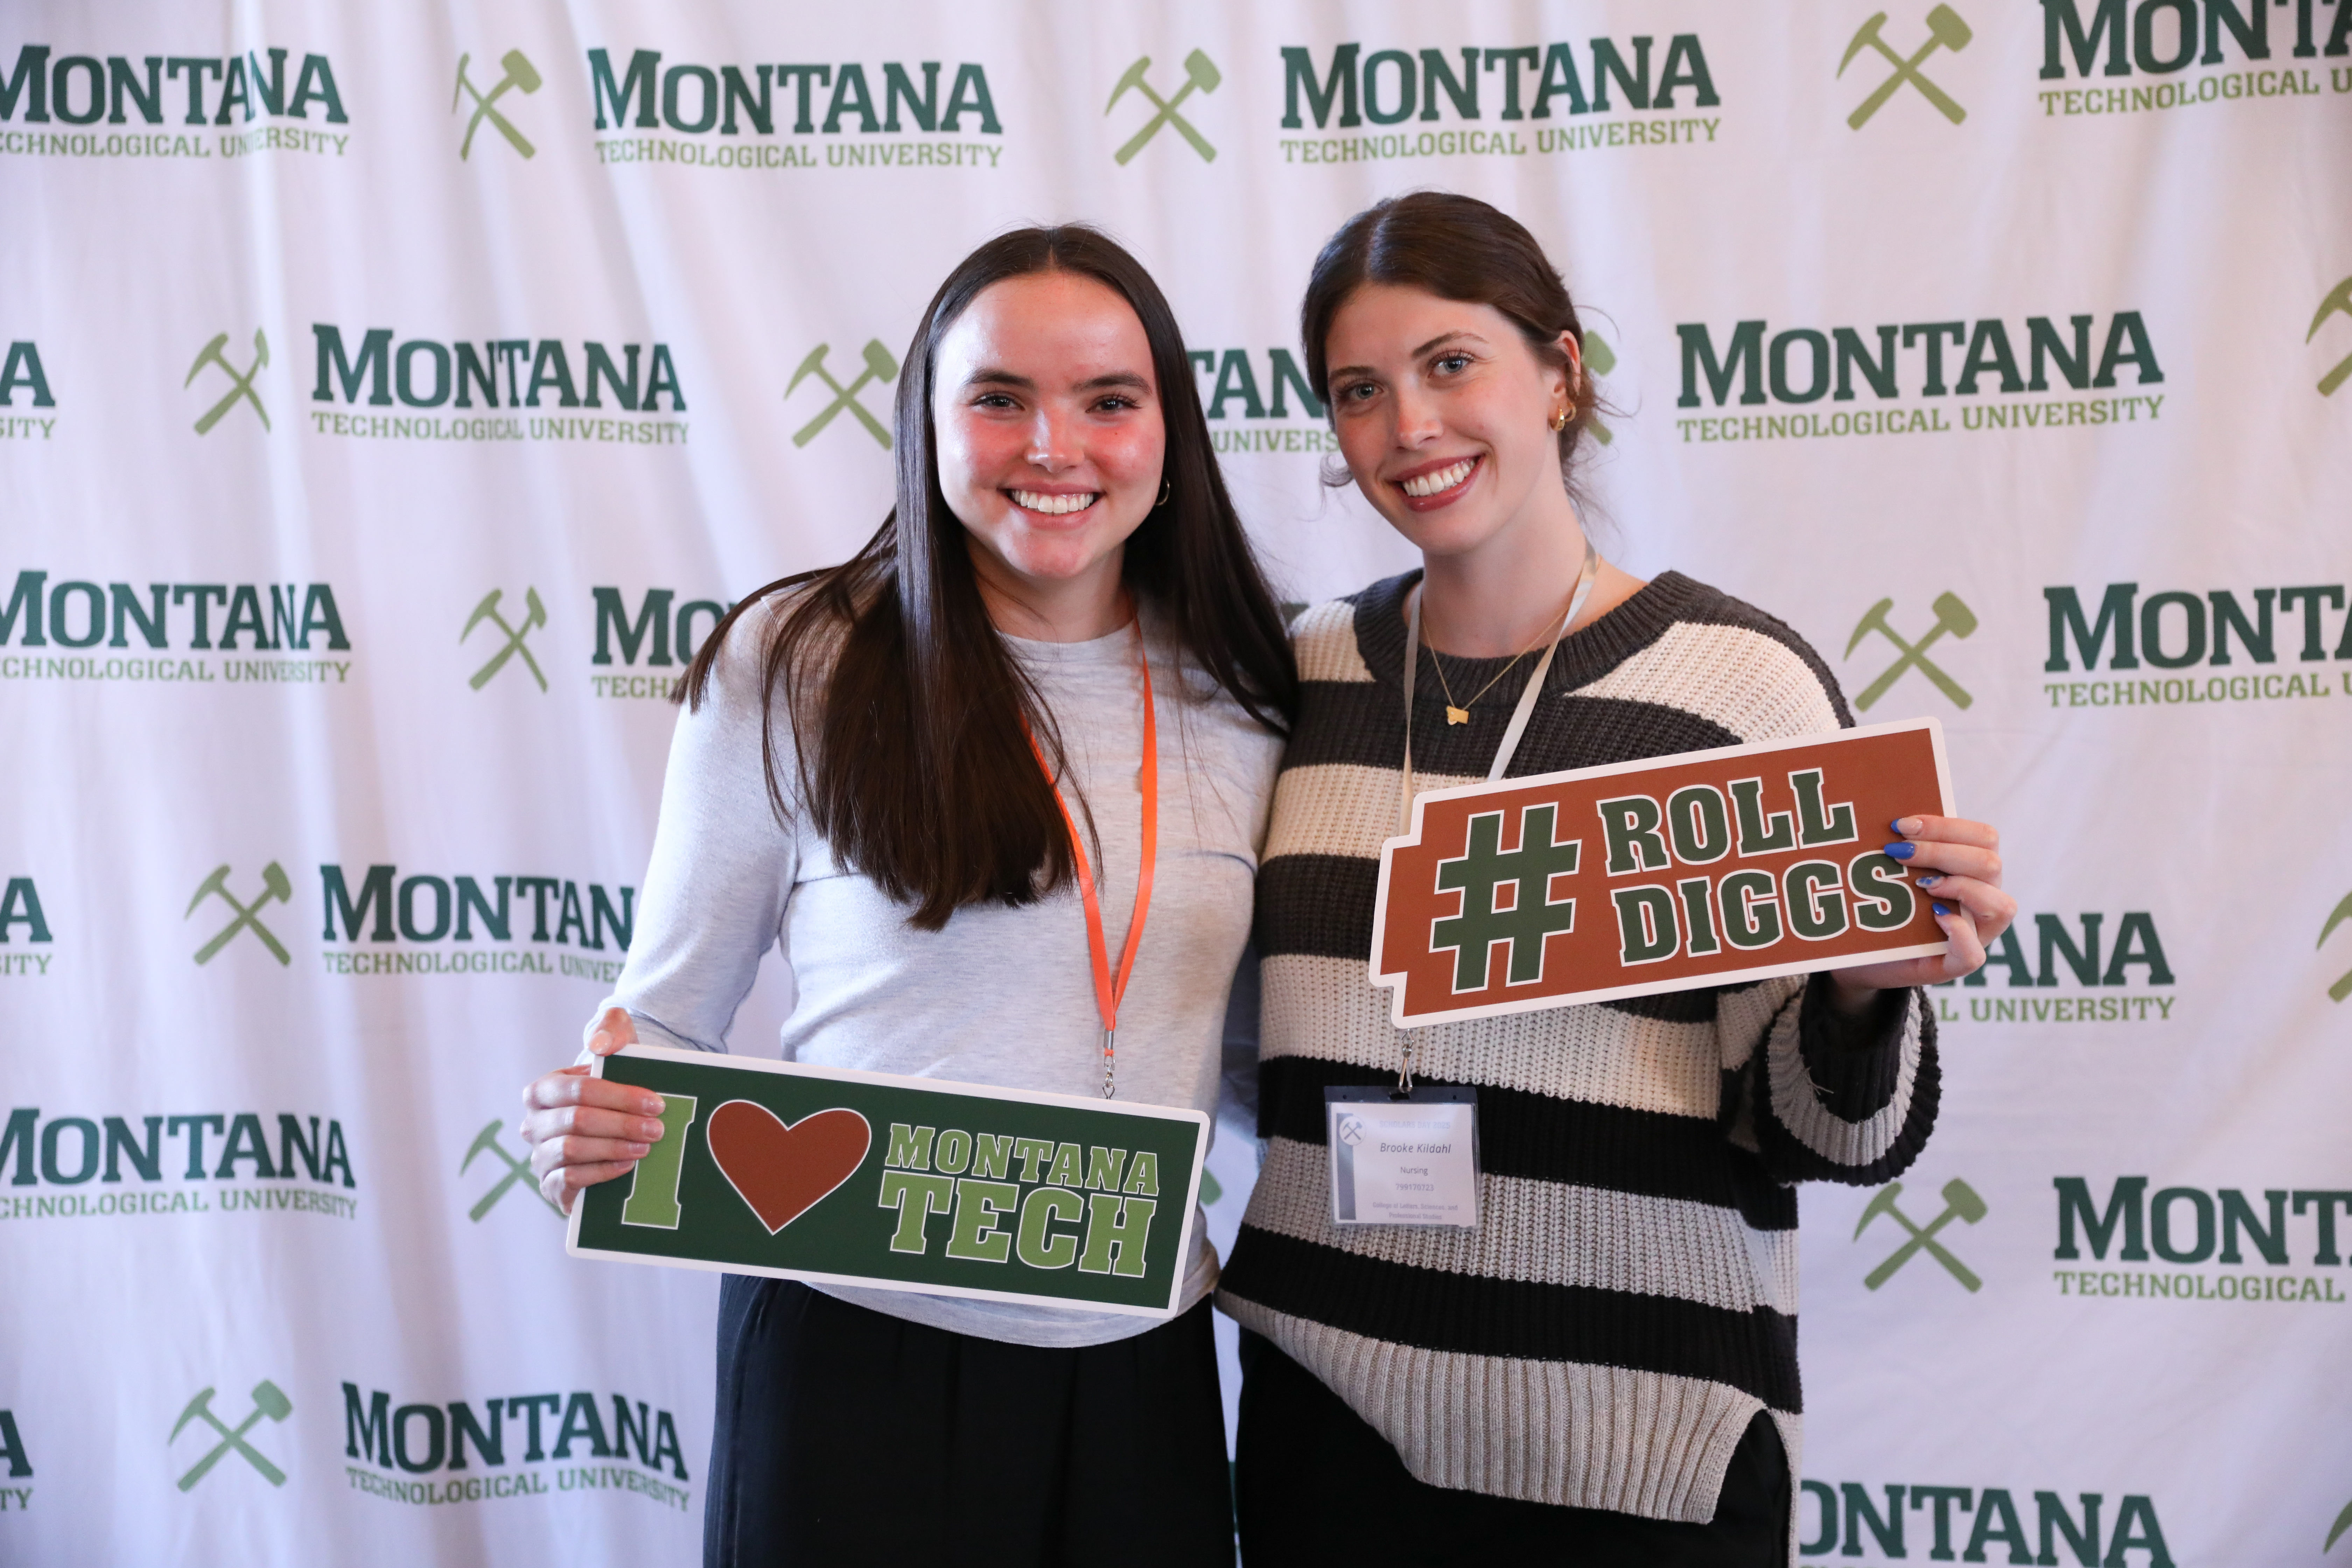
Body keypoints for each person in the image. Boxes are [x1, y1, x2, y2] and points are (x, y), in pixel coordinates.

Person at [1213, 192, 2017, 1566]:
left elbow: (1832, 1135)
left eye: (1450, 362)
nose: (1410, 426)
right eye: (1361, 389)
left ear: (1561, 372)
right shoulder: (1298, 680)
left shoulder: (1737, 687)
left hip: (1643, 1458)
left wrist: (1865, 990)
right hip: (1328, 1432)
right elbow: (1240, 1052)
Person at [519, 224, 1295, 1567]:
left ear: (1171, 435)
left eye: (1108, 401)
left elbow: (1259, 1062)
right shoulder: (801, 661)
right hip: (854, 1362)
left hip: (1139, 1367)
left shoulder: (1249, 693)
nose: (1053, 447)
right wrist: (590, 1129)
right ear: (929, 427)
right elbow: (663, 1021)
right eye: (999, 399)